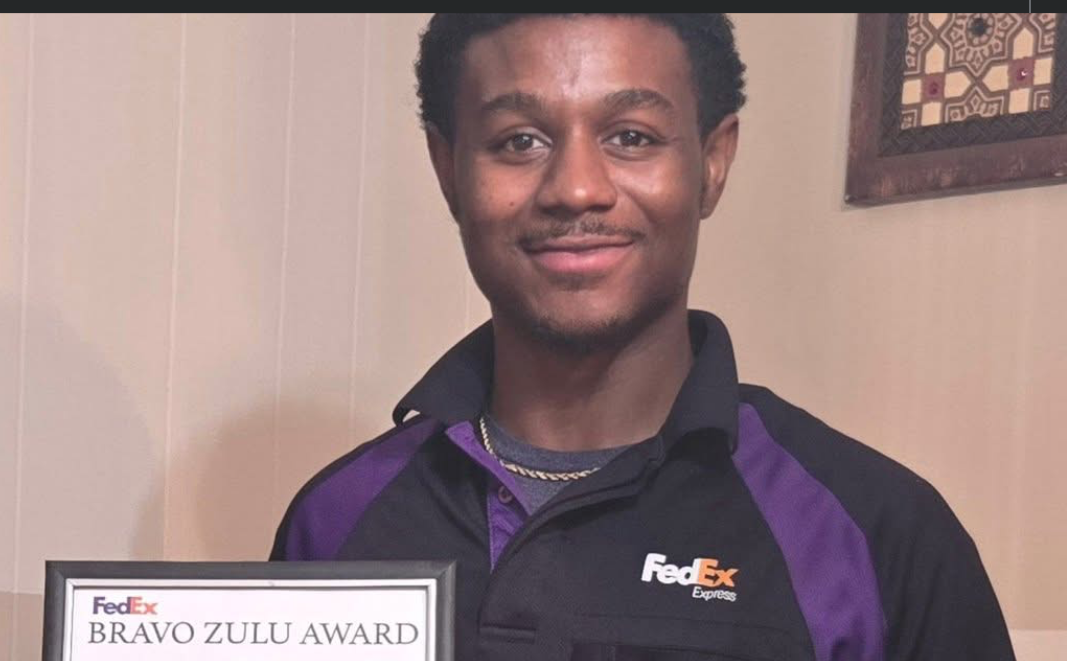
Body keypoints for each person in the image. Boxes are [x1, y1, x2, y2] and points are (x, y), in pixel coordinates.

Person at [271, 13, 1014, 660]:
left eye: (631, 136)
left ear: (713, 162)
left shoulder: (880, 534)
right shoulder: (333, 520)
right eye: (519, 141)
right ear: (448, 172)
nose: (577, 188)